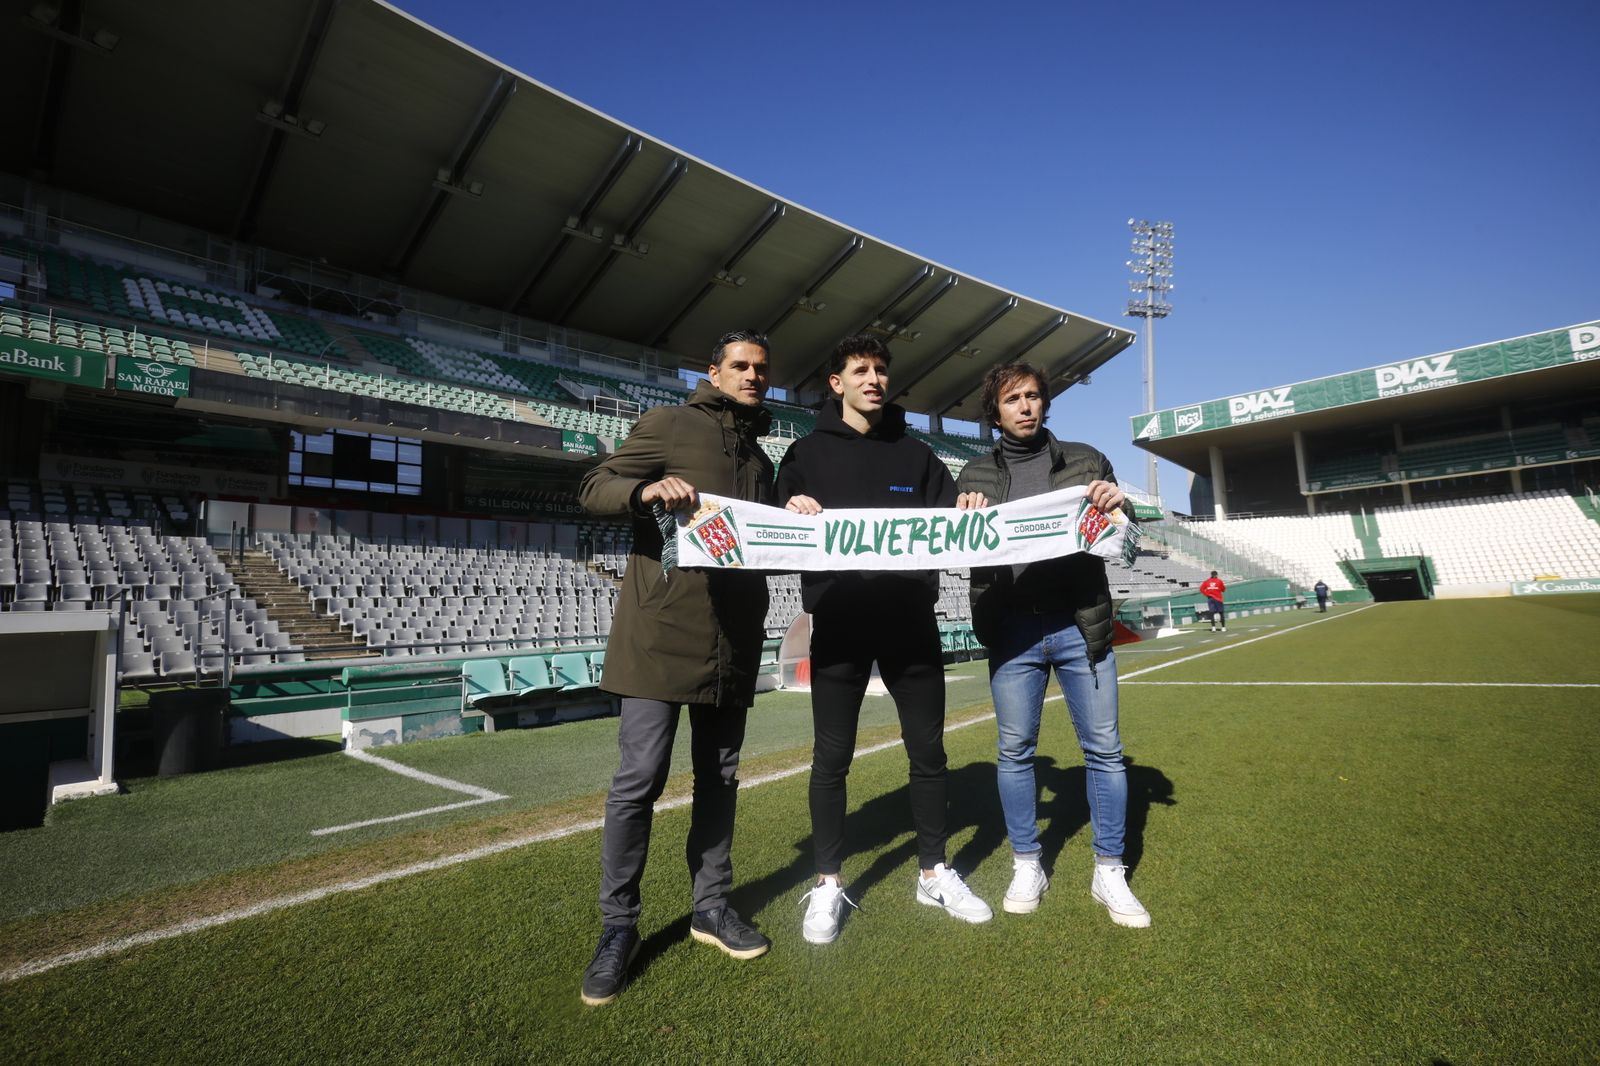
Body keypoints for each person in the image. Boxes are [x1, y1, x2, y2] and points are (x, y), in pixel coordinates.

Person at [573, 329, 776, 1006]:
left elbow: (764, 532)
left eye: (760, 370)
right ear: (712, 371)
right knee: (639, 779)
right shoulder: (668, 423)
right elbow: (595, 485)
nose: (751, 377)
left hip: (735, 637)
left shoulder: (758, 452)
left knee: (719, 777)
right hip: (659, 635)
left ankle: (711, 907)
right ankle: (618, 928)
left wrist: (792, 511)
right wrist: (645, 490)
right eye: (740, 367)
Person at [778, 334, 993, 944]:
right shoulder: (804, 454)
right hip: (840, 624)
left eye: (880, 370)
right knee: (831, 758)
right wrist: (788, 505)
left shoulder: (919, 455)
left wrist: (969, 503)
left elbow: (956, 523)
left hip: (909, 621)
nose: (873, 379)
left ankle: (934, 870)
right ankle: (827, 883)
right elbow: (767, 524)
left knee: (928, 753)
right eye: (859, 370)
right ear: (836, 382)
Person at [954, 361, 1151, 927]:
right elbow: (959, 546)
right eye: (1014, 398)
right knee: (1015, 752)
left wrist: (1122, 506)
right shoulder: (973, 471)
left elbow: (1128, 537)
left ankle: (1109, 870)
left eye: (1035, 396)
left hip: (1078, 625)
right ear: (996, 410)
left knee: (1106, 751)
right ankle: (1026, 861)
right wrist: (963, 515)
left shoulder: (1087, 460)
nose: (1027, 406)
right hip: (1012, 629)